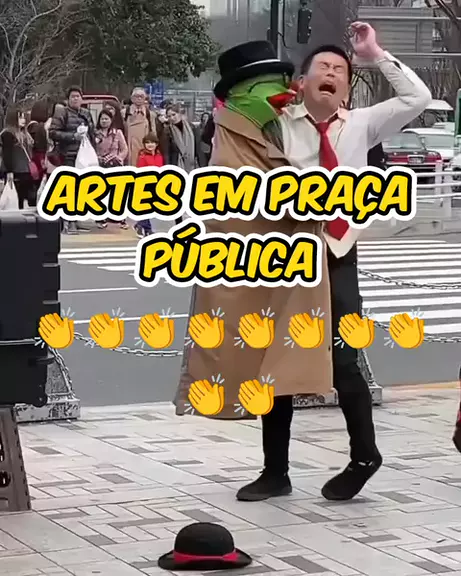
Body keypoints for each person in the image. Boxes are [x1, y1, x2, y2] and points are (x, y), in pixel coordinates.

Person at [234, 22, 432, 503]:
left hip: (340, 253)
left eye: (340, 70)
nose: (332, 74)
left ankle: (364, 456)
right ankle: (275, 472)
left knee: (345, 359)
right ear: (301, 82)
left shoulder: (361, 124)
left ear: (346, 86)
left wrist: (375, 53)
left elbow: (418, 98)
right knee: (278, 358)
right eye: (322, 67)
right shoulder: (278, 123)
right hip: (288, 254)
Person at [174, 40, 333, 472]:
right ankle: (276, 469)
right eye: (273, 84)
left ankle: (354, 456)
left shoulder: (279, 126)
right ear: (244, 92)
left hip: (297, 264)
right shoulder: (234, 139)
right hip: (262, 268)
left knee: (290, 367)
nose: (286, 91)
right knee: (265, 366)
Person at [49, 86, 96, 233]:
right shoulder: (62, 113)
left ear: (82, 98)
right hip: (68, 156)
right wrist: (72, 137)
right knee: (69, 189)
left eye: (78, 96)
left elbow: (92, 133)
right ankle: (68, 221)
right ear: (68, 99)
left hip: (84, 156)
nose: (75, 99)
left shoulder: (86, 114)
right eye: (73, 96)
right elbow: (53, 133)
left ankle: (76, 218)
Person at [94, 109, 129, 230]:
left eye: (106, 119)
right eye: (102, 119)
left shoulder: (117, 133)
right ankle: (101, 218)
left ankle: (120, 218)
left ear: (111, 120)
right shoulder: (95, 133)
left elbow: (124, 149)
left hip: (115, 165)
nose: (104, 121)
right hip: (99, 165)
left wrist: (119, 158)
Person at [0, 107, 35, 209]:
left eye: (23, 117)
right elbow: (7, 153)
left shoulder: (25, 134)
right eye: (20, 118)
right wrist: (9, 171)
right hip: (15, 170)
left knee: (23, 197)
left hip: (25, 169)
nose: (23, 120)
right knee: (15, 196)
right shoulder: (8, 134)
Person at [134, 132, 164, 238]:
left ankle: (141, 226)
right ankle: (145, 228)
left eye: (152, 142)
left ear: (156, 144)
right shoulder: (142, 156)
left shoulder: (159, 156)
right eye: (147, 143)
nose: (150, 145)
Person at [122, 87, 157, 165]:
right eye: (136, 96)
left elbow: (153, 134)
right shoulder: (124, 113)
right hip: (129, 149)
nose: (139, 98)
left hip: (145, 149)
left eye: (141, 96)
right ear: (132, 99)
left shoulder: (150, 114)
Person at [165, 104, 200, 170]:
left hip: (192, 163)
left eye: (173, 114)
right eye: (169, 116)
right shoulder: (167, 131)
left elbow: (198, 147)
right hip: (176, 164)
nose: (172, 118)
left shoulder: (192, 127)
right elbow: (167, 152)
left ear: (179, 114)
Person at [27, 100, 49, 186]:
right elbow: (42, 146)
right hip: (39, 161)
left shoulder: (28, 127)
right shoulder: (41, 128)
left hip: (30, 161)